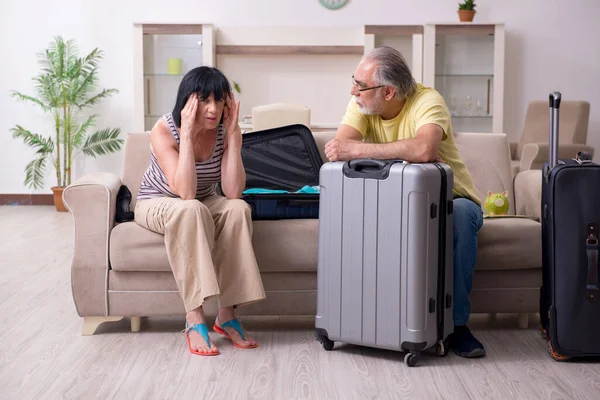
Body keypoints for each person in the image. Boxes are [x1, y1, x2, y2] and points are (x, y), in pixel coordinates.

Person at [325, 46, 485, 358]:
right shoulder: (362, 102)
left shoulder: (427, 100)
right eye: (353, 81)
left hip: (452, 199)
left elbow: (424, 149)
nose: (352, 91)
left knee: (463, 215)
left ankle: (458, 326)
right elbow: (337, 149)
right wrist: (406, 153)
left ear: (389, 91)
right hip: (395, 203)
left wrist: (362, 151)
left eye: (360, 85)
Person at [135, 66, 266, 356]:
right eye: (205, 100)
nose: (213, 108)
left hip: (201, 200)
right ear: (188, 101)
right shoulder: (164, 129)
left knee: (237, 209)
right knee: (190, 209)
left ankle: (227, 316)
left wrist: (232, 135)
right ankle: (194, 318)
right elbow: (185, 192)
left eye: (219, 101)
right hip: (156, 201)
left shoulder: (224, 130)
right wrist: (187, 133)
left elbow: (232, 192)